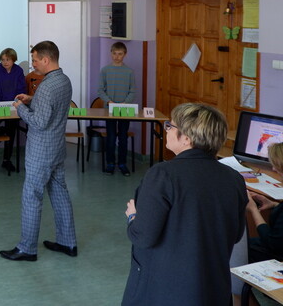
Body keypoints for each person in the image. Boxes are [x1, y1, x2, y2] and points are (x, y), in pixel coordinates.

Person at [121, 103, 247, 306]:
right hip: (213, 289)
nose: (167, 130)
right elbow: (236, 234)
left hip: (166, 291)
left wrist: (132, 216)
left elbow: (142, 237)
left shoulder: (162, 174)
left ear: (187, 138)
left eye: (170, 126)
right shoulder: (235, 178)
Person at [0, 40, 76, 262]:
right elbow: (52, 107)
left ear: (46, 59)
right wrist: (32, 99)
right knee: (60, 194)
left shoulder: (46, 86)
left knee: (31, 196)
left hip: (40, 152)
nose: (33, 64)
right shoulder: (64, 80)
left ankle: (27, 248)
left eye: (34, 60)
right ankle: (68, 242)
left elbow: (39, 122)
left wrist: (20, 108)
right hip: (57, 148)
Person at [97, 41, 136, 176]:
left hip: (125, 109)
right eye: (114, 53)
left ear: (125, 54)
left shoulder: (129, 72)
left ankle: (122, 164)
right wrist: (110, 102)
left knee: (123, 137)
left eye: (120, 54)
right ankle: (110, 163)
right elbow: (100, 90)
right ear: (111, 54)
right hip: (110, 109)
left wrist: (125, 103)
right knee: (111, 137)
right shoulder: (105, 70)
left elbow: (132, 91)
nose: (117, 56)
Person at [0, 47, 27, 173]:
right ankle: (4, 132)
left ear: (13, 59)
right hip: (0, 105)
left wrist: (16, 103)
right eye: (3, 60)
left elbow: (21, 89)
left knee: (11, 133)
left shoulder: (18, 70)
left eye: (8, 59)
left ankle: (6, 160)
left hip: (14, 106)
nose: (5, 62)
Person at [246, 142, 283, 262]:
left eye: (276, 165)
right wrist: (274, 204)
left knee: (239, 246)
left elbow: (272, 243)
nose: (273, 169)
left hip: (275, 255)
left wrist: (253, 210)